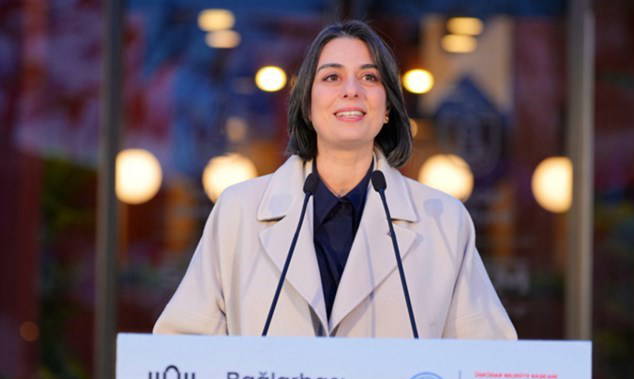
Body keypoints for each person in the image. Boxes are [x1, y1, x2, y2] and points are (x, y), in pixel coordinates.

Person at [153, 20, 517, 339]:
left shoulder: (444, 220)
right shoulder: (239, 211)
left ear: (387, 108)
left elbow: (487, 358)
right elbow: (183, 345)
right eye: (331, 77)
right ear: (307, 105)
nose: (351, 90)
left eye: (369, 77)